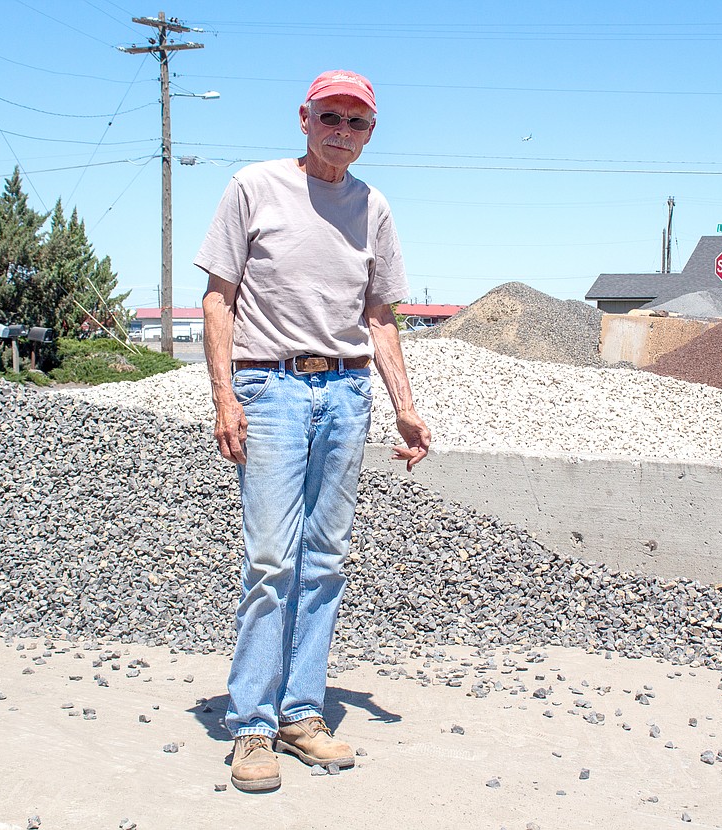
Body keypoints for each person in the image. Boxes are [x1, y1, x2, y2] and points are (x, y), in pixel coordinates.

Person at [195, 69, 430, 793]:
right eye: (332, 118)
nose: (343, 133)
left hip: (346, 390)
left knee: (325, 560)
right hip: (270, 389)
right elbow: (217, 298)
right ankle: (252, 728)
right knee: (270, 561)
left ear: (371, 133)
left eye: (357, 124)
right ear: (304, 117)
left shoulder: (372, 207)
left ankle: (301, 715)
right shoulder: (253, 188)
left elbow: (381, 317)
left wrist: (405, 406)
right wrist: (223, 395)